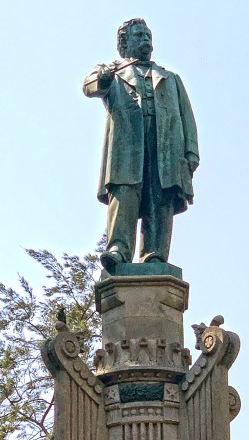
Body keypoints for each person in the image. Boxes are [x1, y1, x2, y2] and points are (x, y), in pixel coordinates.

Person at [83, 18, 199, 273]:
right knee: (125, 194)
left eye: (148, 35)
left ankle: (155, 254)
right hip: (127, 147)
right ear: (124, 43)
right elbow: (89, 86)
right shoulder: (112, 73)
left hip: (166, 148)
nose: (146, 40)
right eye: (139, 35)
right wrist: (103, 77)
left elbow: (187, 118)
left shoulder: (170, 78)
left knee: (160, 197)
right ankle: (119, 250)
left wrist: (190, 152)